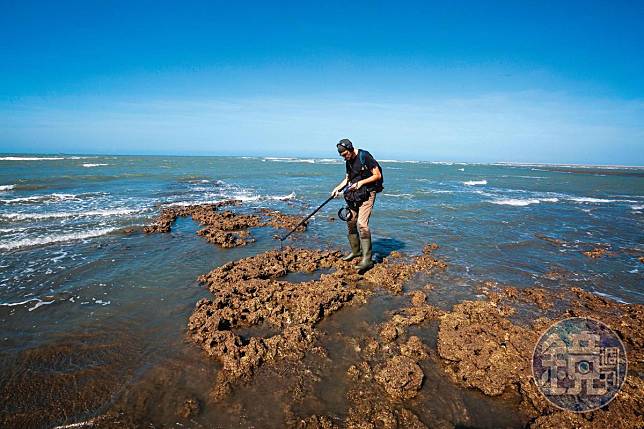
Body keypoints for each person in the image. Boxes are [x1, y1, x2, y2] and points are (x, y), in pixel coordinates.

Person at [331, 138, 383, 271]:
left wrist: (361, 183)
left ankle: (367, 259)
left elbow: (377, 175)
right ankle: (356, 251)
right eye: (342, 156)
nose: (344, 158)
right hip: (355, 195)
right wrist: (338, 188)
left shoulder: (364, 156)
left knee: (362, 224)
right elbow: (348, 178)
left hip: (368, 193)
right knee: (351, 220)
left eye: (345, 155)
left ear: (350, 149)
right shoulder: (348, 161)